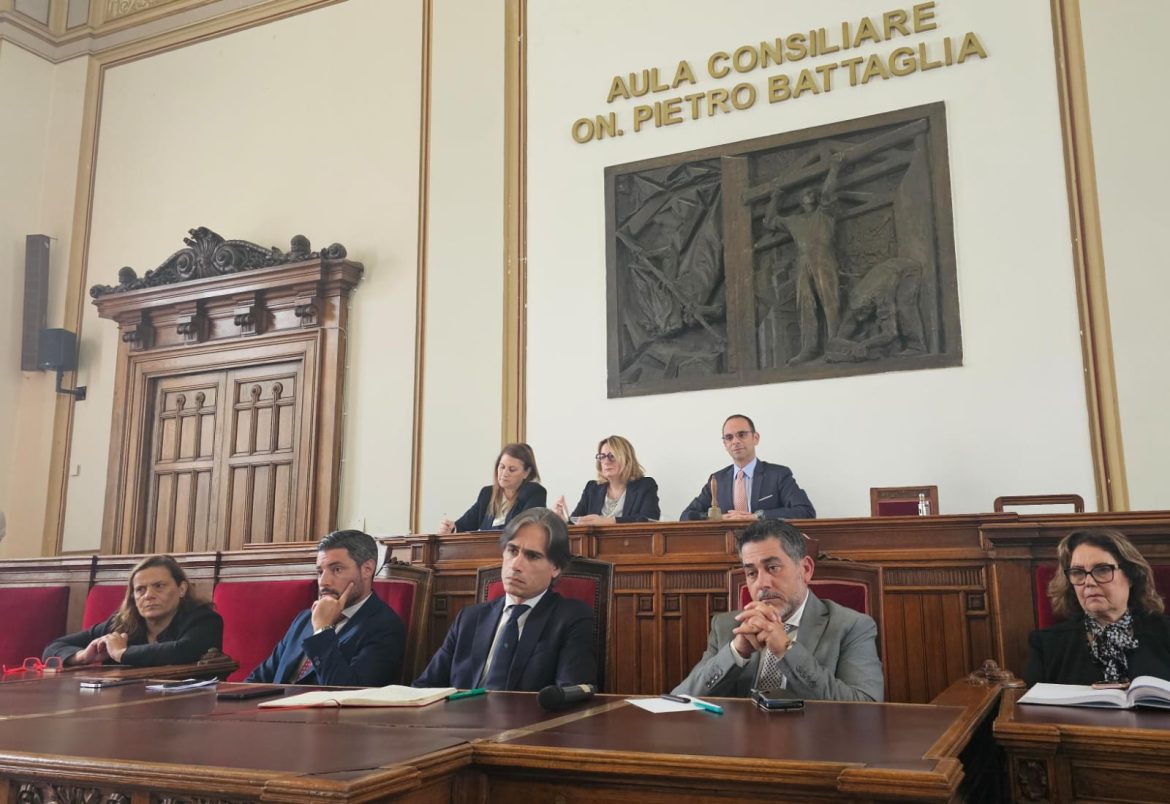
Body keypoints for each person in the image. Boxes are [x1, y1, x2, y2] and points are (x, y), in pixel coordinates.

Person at [673, 519, 883, 701]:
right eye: (752, 573)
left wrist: (786, 650)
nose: (762, 583)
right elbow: (680, 700)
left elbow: (865, 707)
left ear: (806, 570)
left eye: (773, 568)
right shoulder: (727, 626)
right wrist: (736, 653)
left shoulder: (852, 626)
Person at [414, 507, 596, 690]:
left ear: (555, 567)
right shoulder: (469, 619)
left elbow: (569, 696)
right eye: (512, 551)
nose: (516, 565)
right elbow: (424, 688)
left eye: (532, 556)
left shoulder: (571, 619)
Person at [246, 530, 405, 686]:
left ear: (367, 569)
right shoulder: (304, 619)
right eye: (320, 572)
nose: (323, 582)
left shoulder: (384, 627)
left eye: (337, 570)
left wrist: (322, 630)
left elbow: (348, 692)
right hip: (273, 703)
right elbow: (260, 678)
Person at [1024, 528, 1170, 686]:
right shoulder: (1046, 645)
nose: (1089, 582)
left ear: (1131, 575)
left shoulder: (1165, 632)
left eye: (1102, 570)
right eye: (1078, 572)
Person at [43, 555, 222, 667]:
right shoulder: (120, 624)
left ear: (181, 589)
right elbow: (53, 648)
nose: (148, 595)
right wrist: (82, 656)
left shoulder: (204, 620)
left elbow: (182, 650)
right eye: (140, 590)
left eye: (159, 586)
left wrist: (122, 653)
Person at [763, 151, 845, 366]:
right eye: (807, 193)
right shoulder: (794, 221)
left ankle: (835, 343)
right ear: (801, 200)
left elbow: (827, 193)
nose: (811, 195)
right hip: (803, 261)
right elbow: (769, 222)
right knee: (805, 304)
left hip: (823, 258)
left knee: (830, 300)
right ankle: (809, 348)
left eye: (812, 192)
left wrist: (834, 168)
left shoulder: (824, 213)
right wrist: (775, 197)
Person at [680, 414, 815, 521]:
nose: (735, 441)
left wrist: (758, 516)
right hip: (727, 544)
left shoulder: (778, 475)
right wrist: (717, 517)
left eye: (742, 435)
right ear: (725, 444)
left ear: (755, 438)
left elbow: (806, 511)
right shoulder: (717, 480)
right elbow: (686, 516)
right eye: (729, 437)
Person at [439, 443, 546, 533]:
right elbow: (464, 525)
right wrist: (451, 528)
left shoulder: (535, 493)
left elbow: (527, 530)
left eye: (512, 469)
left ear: (526, 472)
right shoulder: (487, 493)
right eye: (502, 467)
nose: (504, 473)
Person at [554, 435, 660, 524]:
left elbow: (650, 518)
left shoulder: (645, 485)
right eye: (602, 456)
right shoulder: (592, 488)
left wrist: (608, 521)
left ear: (627, 459)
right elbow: (578, 523)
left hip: (631, 542)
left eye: (612, 456)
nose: (606, 462)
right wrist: (564, 520)